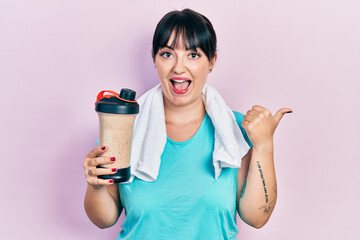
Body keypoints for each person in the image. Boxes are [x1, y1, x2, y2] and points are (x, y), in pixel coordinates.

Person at [83, 8, 292, 240]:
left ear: (212, 60)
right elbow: (104, 219)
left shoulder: (238, 130)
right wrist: (95, 185)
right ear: (154, 59)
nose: (179, 68)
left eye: (193, 55)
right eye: (167, 54)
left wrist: (264, 146)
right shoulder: (123, 127)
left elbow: (256, 217)